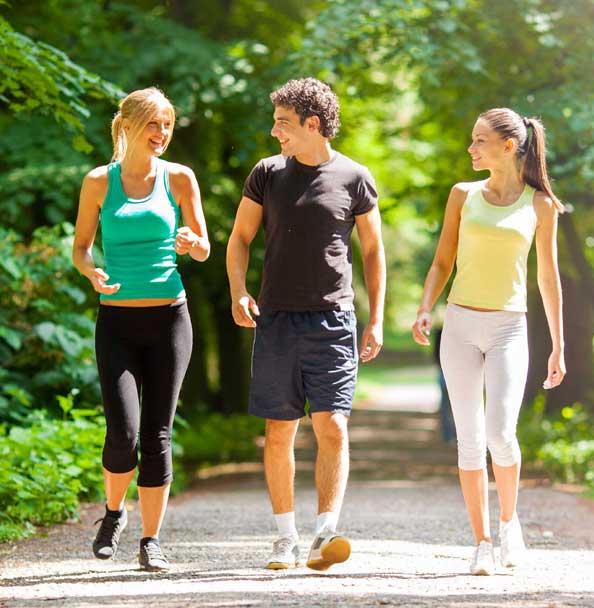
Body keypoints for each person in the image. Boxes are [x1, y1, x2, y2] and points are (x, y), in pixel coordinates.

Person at [226, 77, 386, 571]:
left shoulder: (355, 177)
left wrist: (376, 318)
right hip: (276, 320)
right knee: (279, 431)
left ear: (312, 124)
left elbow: (374, 251)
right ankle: (285, 538)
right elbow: (238, 239)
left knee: (333, 426)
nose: (275, 132)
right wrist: (239, 291)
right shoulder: (267, 174)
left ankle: (324, 534)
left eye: (282, 123)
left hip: (334, 319)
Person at [411, 108, 565, 575]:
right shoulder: (462, 195)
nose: (471, 149)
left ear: (508, 146)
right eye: (471, 140)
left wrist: (559, 345)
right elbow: (442, 261)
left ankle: (508, 522)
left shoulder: (540, 205)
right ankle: (480, 542)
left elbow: (548, 278)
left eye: (479, 141)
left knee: (501, 432)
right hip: (458, 325)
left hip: (508, 328)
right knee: (469, 439)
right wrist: (424, 306)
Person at [72, 87, 210, 571]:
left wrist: (192, 242)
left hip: (170, 317)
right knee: (123, 432)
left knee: (158, 434)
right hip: (117, 322)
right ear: (127, 125)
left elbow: (203, 246)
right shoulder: (98, 182)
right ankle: (113, 513)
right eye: (153, 123)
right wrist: (91, 272)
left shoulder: (179, 179)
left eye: (168, 125)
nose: (162, 133)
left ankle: (151, 540)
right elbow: (82, 247)